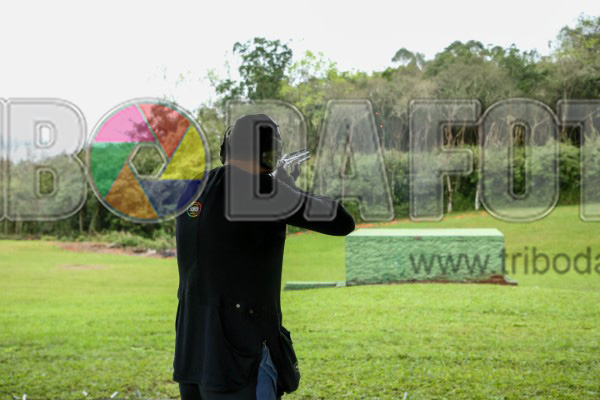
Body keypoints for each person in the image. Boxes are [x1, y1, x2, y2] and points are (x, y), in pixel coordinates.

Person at [173, 114, 355, 399]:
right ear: (268, 152)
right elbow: (341, 221)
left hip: (192, 354)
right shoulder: (261, 191)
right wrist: (286, 186)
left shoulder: (194, 186)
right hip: (239, 361)